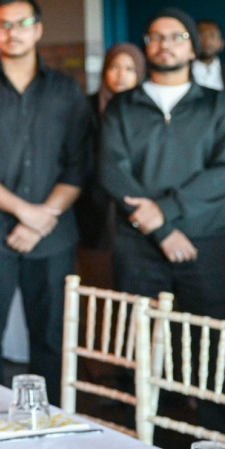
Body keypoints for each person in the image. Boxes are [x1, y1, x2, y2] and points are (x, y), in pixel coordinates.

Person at [97, 9, 225, 432]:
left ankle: (217, 440)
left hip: (205, 241)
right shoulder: (123, 106)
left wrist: (166, 211)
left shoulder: (219, 106)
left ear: (193, 47)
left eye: (177, 36)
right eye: (156, 37)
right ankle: (142, 439)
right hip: (137, 244)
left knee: (211, 343)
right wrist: (161, 229)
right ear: (147, 46)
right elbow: (112, 171)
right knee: (140, 343)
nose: (166, 44)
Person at [0, 0, 90, 404]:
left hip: (52, 232)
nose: (13, 32)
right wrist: (25, 213)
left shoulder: (66, 90)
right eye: (4, 24)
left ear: (38, 29)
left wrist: (42, 219)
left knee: (52, 338)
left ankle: (50, 421)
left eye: (22, 23)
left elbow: (78, 164)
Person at [76, 42, 145, 289]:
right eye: (114, 67)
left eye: (129, 69)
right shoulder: (85, 107)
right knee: (97, 283)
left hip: (137, 209)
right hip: (92, 210)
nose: (121, 75)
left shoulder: (148, 111)